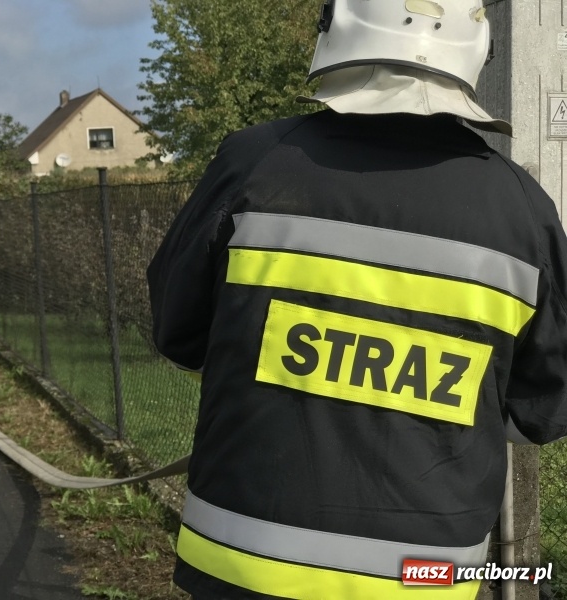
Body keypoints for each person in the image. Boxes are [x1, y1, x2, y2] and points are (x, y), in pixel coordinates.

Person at [147, 1, 567, 599]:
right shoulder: (523, 211)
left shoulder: (256, 164)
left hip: (240, 567)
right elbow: (541, 409)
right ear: (477, 50)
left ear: (336, 32)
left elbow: (178, 332)